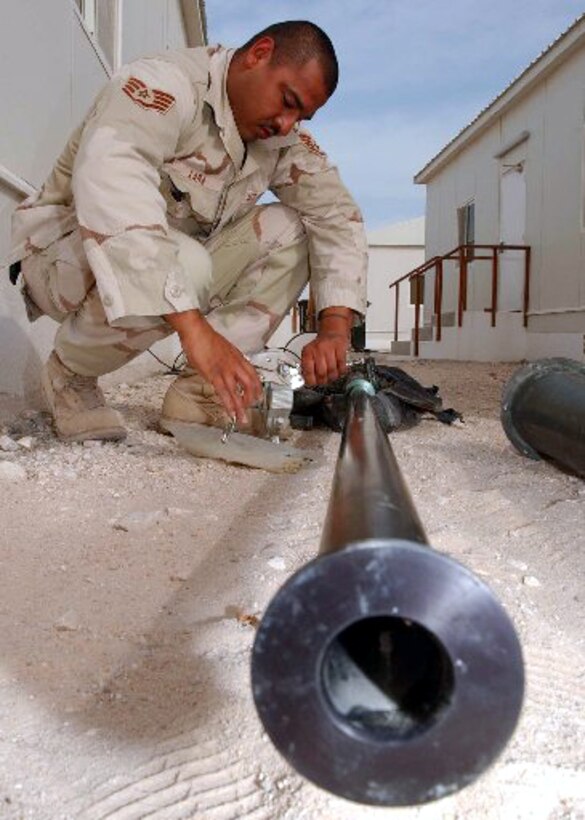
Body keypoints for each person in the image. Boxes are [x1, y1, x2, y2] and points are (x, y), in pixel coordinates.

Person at [7, 20, 367, 442]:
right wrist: (194, 330)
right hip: (60, 255)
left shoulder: (278, 139)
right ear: (259, 53)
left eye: (301, 116)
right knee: (185, 263)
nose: (288, 125)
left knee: (291, 229)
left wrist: (334, 328)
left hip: (174, 261)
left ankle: (202, 394)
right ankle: (70, 377)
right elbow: (113, 187)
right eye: (287, 101)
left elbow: (336, 215)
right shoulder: (166, 84)